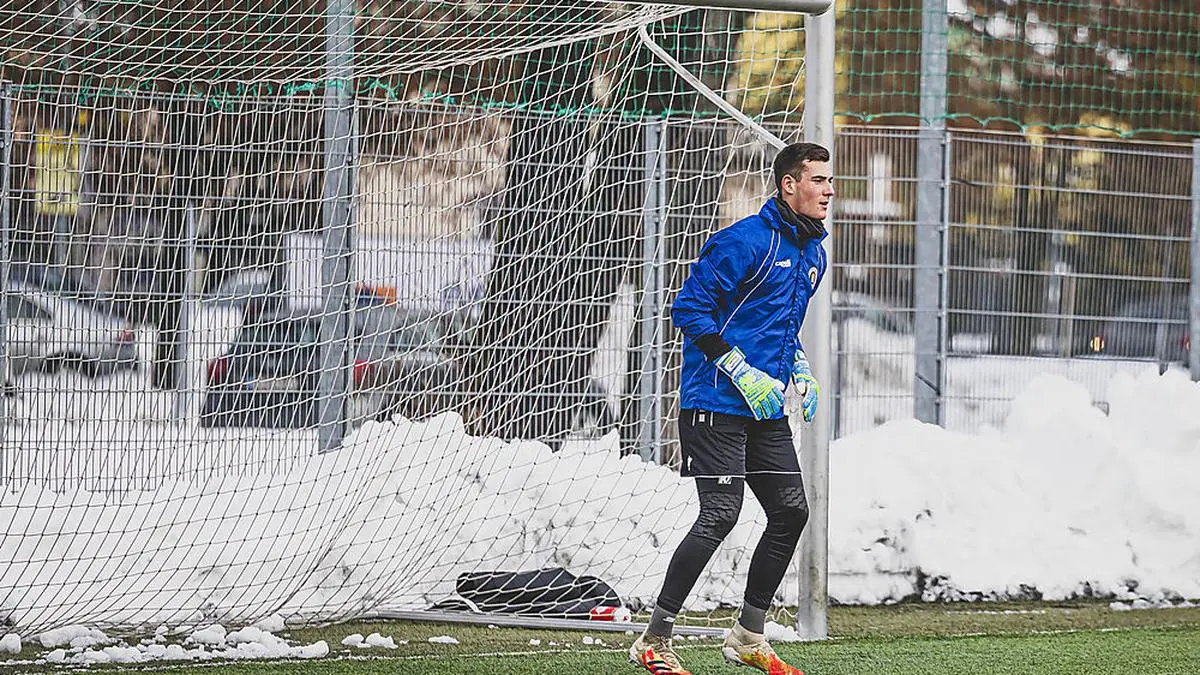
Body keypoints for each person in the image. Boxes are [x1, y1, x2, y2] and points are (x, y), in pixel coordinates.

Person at [629, 142, 833, 675]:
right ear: (789, 184)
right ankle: (654, 639)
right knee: (721, 514)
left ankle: (747, 635)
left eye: (829, 180)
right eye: (818, 180)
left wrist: (800, 368)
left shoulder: (815, 254)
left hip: (764, 409)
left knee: (792, 511)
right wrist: (740, 370)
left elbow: (780, 329)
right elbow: (688, 310)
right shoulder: (743, 241)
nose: (829, 190)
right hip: (715, 403)